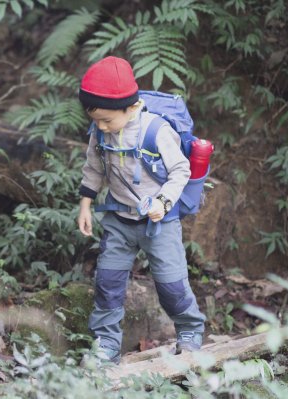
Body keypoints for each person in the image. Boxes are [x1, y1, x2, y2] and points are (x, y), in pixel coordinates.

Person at [76, 56, 206, 364]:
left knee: (171, 284)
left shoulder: (156, 131)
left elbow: (180, 171)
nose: (101, 126)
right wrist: (85, 204)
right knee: (107, 282)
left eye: (107, 120)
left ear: (131, 107)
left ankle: (189, 330)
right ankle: (106, 344)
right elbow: (93, 168)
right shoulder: (100, 131)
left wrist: (162, 202)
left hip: (160, 222)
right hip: (118, 220)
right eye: (95, 119)